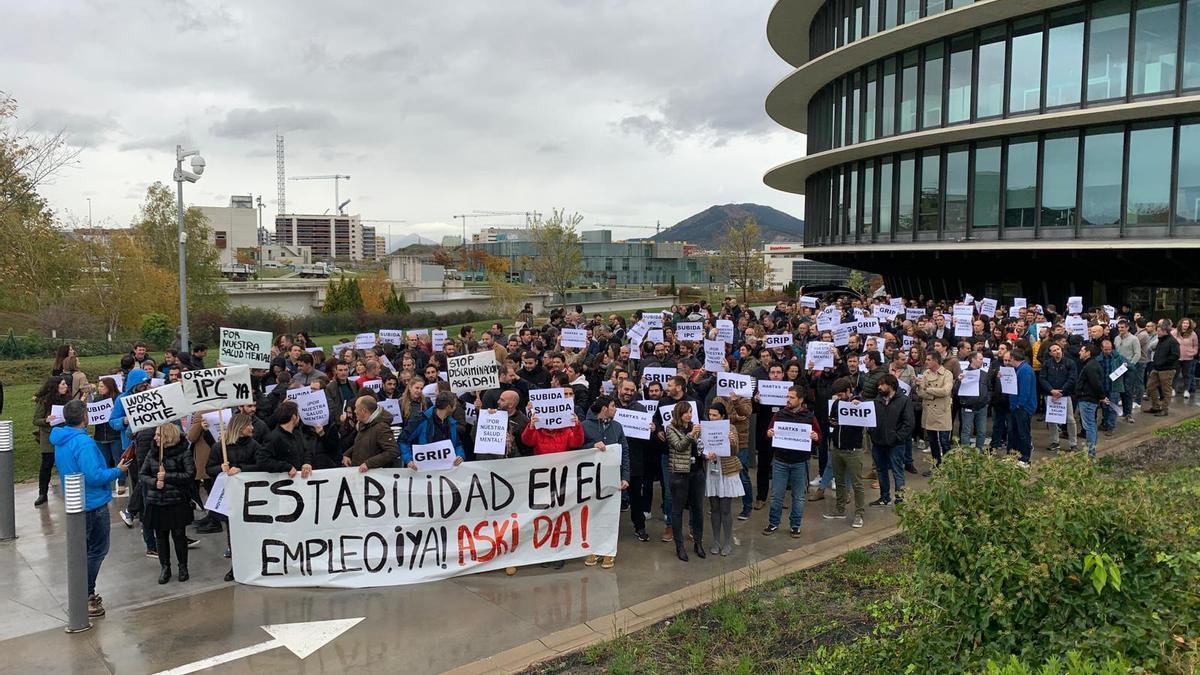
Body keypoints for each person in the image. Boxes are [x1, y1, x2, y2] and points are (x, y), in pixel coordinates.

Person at [51, 400, 131, 618]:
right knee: (97, 550)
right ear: (84, 416)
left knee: (82, 550)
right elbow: (94, 476)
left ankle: (82, 592)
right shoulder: (83, 443)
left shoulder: (60, 439)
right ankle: (86, 593)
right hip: (93, 503)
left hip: (76, 502)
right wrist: (118, 470)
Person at [205, 413, 261, 582]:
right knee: (233, 533)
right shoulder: (219, 447)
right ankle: (236, 566)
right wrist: (220, 468)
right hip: (230, 498)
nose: (252, 428)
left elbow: (260, 466)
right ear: (239, 427)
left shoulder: (254, 446)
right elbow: (209, 469)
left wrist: (241, 469)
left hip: (250, 497)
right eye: (248, 425)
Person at [140, 423, 195, 584]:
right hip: (157, 501)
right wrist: (154, 481)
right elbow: (143, 474)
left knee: (179, 535)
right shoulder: (152, 453)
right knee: (161, 536)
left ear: (168, 437)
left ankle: (183, 567)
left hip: (177, 501)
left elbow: (190, 475)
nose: (155, 437)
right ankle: (165, 567)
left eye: (158, 435)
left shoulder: (183, 453)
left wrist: (167, 477)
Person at [764, 385, 821, 538]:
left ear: (800, 400)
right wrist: (769, 434)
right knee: (777, 495)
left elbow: (819, 438)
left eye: (791, 397)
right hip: (780, 461)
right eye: (787, 397)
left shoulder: (809, 417)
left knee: (799, 496)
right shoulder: (779, 415)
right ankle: (773, 523)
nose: (788, 400)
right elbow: (768, 433)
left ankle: (795, 525)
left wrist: (816, 438)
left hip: (800, 463)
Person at [581, 395, 630, 569]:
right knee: (593, 514)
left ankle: (608, 551)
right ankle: (594, 548)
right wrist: (591, 447)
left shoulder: (617, 427)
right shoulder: (585, 426)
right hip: (591, 478)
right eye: (612, 405)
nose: (615, 408)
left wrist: (625, 476)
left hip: (612, 477)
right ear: (604, 409)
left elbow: (624, 452)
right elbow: (575, 449)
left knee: (610, 514)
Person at [664, 401, 706, 561]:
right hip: (680, 474)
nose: (689, 415)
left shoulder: (695, 426)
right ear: (678, 414)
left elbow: (701, 447)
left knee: (698, 509)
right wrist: (691, 435)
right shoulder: (671, 429)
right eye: (685, 412)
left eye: (690, 412)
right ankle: (679, 545)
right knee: (677, 510)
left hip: (697, 473)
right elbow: (679, 446)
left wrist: (706, 452)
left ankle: (698, 542)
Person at [824, 377, 866, 527]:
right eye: (837, 395)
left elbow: (864, 420)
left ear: (849, 391)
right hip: (837, 447)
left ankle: (859, 513)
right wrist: (833, 421)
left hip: (853, 449)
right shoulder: (836, 403)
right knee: (839, 481)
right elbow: (831, 420)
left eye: (841, 395)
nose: (839, 398)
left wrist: (857, 406)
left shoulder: (859, 403)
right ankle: (840, 509)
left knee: (857, 483)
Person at [702, 402, 743, 557]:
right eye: (710, 415)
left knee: (725, 508)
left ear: (722, 416)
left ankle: (727, 542)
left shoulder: (730, 428)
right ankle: (716, 541)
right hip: (711, 470)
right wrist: (705, 455)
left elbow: (735, 451)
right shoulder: (704, 428)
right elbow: (700, 448)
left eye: (715, 415)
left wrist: (732, 441)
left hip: (726, 470)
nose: (711, 418)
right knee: (714, 508)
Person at [32, 376, 73, 507]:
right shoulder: (44, 402)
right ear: (55, 386)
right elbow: (36, 420)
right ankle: (42, 493)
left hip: (64, 436)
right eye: (63, 384)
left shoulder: (68, 399)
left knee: (66, 464)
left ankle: (70, 490)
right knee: (46, 465)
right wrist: (46, 420)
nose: (65, 386)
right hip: (49, 437)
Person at [401, 392, 467, 467]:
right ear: (449, 407)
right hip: (424, 469)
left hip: (446, 469)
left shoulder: (452, 423)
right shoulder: (420, 420)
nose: (456, 407)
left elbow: (457, 443)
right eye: (455, 405)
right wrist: (409, 460)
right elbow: (403, 440)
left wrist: (460, 455)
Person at [915, 353, 953, 474]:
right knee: (932, 442)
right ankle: (936, 465)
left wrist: (928, 390)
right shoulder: (926, 374)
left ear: (936, 361)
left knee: (944, 442)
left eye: (929, 359)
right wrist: (930, 393)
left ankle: (948, 466)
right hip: (929, 412)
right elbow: (920, 392)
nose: (926, 362)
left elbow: (946, 391)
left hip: (942, 412)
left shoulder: (947, 374)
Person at [342, 396, 400, 472]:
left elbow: (393, 451)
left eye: (356, 408)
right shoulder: (364, 423)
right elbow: (362, 442)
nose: (355, 411)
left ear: (364, 411)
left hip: (373, 476)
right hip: (360, 474)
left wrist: (369, 464)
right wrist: (347, 454)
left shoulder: (381, 427)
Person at [1038, 343, 1079, 452]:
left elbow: (1072, 378)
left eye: (1058, 349)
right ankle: (1055, 441)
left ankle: (1073, 443)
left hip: (1065, 395)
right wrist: (1051, 390)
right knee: (1052, 419)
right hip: (1050, 395)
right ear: (1050, 353)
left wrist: (1062, 391)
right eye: (1054, 350)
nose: (1057, 351)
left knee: (1070, 419)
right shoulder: (1047, 364)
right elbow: (1042, 378)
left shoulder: (1070, 362)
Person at [90, 377, 124, 495]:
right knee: (103, 461)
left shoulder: (118, 399)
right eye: (99, 386)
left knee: (118, 459)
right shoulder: (97, 399)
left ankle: (122, 482)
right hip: (100, 436)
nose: (99, 389)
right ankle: (108, 484)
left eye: (102, 386)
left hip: (115, 436)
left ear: (109, 387)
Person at [1075, 343, 1108, 458]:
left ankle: (1091, 452)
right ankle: (1091, 450)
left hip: (1088, 399)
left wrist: (1102, 396)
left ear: (1088, 352)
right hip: (1089, 398)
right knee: (1090, 425)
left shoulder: (1090, 366)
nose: (1079, 352)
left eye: (1082, 350)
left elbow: (1096, 383)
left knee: (1089, 426)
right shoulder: (1092, 364)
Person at [1008, 348, 1038, 468]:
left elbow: (1024, 390)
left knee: (1023, 433)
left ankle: (1025, 458)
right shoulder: (1019, 369)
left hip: (1022, 407)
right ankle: (1016, 456)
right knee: (1015, 433)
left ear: (1013, 358)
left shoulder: (1025, 370)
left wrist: (1019, 404)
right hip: (1017, 406)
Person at [957, 351, 991, 451]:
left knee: (982, 432)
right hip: (968, 407)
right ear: (973, 359)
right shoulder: (963, 373)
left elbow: (989, 388)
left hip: (982, 407)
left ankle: (979, 451)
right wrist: (959, 381)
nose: (982, 361)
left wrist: (987, 400)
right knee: (966, 431)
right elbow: (955, 390)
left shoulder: (984, 374)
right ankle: (965, 454)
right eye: (980, 359)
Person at [1147, 321, 1179, 417]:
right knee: (1150, 387)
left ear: (1165, 331)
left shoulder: (1172, 341)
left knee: (1166, 390)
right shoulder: (1161, 340)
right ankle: (1155, 406)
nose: (1157, 333)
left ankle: (1165, 409)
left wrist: (1163, 362)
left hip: (1167, 370)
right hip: (1156, 368)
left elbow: (1175, 355)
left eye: (1159, 331)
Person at [1172, 317, 1197, 399]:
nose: (1185, 324)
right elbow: (1170, 343)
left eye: (1187, 323)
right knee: (1175, 374)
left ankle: (1186, 390)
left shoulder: (1193, 333)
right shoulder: (1174, 332)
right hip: (1177, 357)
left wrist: (1193, 352)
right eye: (1184, 323)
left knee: (1187, 375)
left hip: (1188, 358)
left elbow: (1196, 345)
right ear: (1181, 323)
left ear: (1189, 325)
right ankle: (1173, 389)